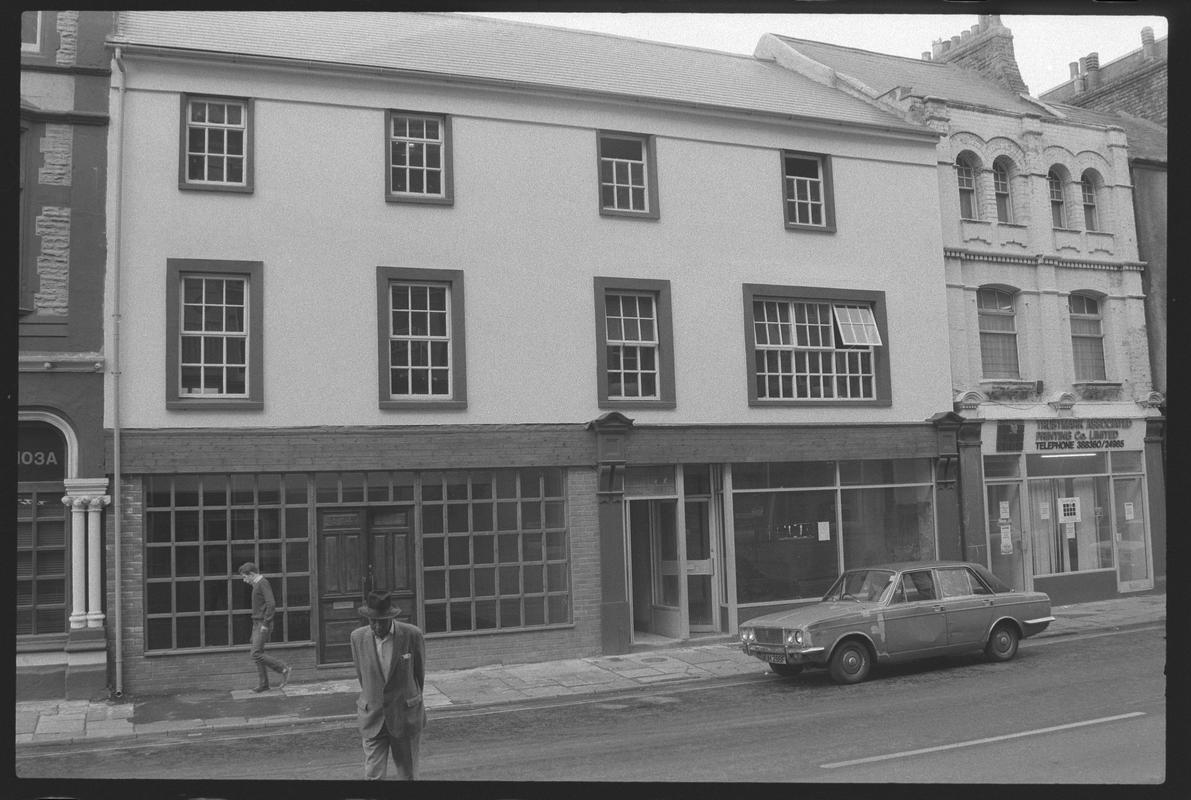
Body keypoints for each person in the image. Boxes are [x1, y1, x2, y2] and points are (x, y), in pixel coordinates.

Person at [349, 590, 427, 780]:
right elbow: (363, 676)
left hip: (404, 716)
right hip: (373, 716)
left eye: (381, 621)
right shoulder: (357, 638)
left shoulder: (412, 635)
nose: (376, 625)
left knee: (408, 776)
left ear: (391, 617)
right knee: (373, 776)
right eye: (372, 620)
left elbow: (419, 674)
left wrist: (409, 700)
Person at [237, 562, 291, 692]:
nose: (245, 580)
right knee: (257, 653)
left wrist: (266, 624)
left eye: (245, 577)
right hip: (257, 623)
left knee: (255, 653)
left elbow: (271, 604)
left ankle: (283, 668)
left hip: (262, 623)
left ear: (252, 574)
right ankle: (264, 684)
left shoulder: (262, 583)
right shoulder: (257, 584)